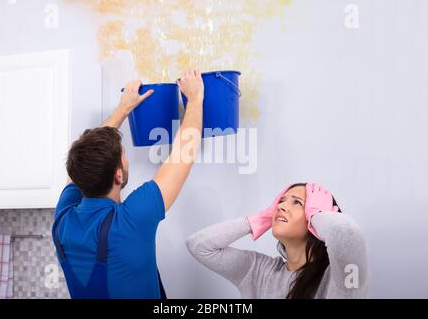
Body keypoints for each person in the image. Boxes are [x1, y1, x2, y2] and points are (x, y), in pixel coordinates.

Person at [52, 70, 204, 299]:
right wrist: (195, 98)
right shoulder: (130, 220)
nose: (127, 158)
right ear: (118, 176)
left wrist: (124, 108)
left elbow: (81, 160)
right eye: (124, 155)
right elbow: (184, 154)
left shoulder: (62, 221)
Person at [186, 183, 369, 298]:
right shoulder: (258, 271)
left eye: (297, 202)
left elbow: (347, 235)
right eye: (280, 201)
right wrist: (262, 218)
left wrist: (317, 215)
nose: (281, 206)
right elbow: (199, 245)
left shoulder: (338, 277)